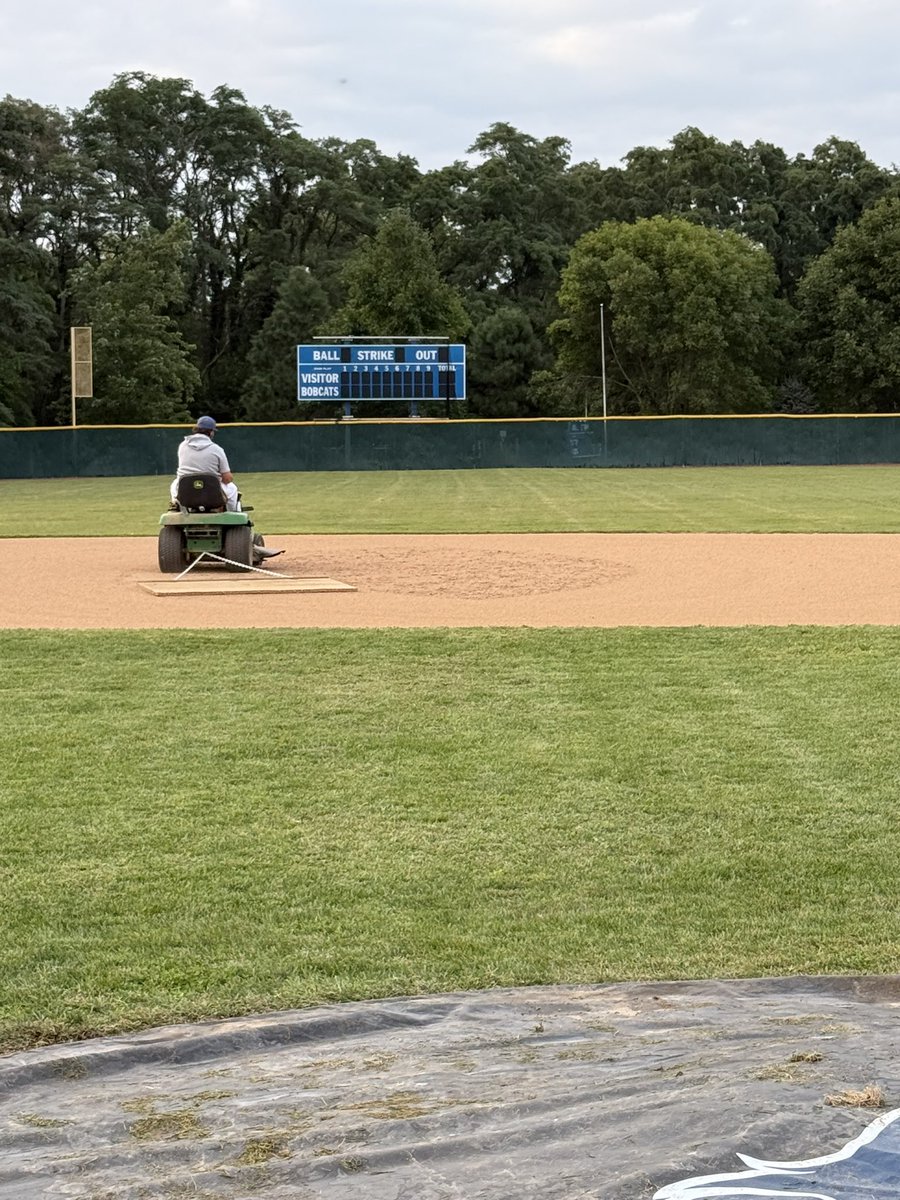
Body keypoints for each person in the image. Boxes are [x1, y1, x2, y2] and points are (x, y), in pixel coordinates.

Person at [170, 416, 240, 511]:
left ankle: (179, 510)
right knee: (232, 488)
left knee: (174, 484)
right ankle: (233, 515)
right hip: (211, 491)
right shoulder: (217, 449)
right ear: (211, 432)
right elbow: (227, 478)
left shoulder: (182, 446)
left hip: (186, 490)